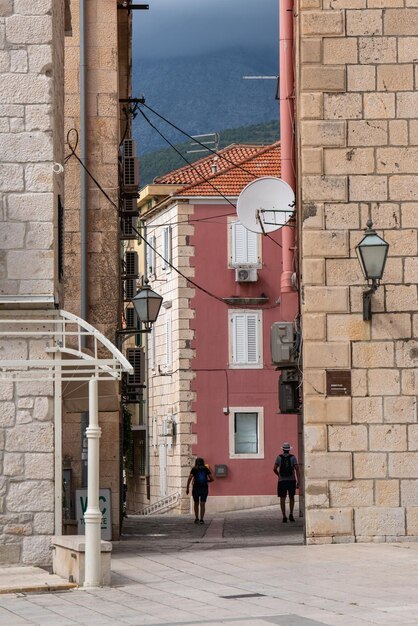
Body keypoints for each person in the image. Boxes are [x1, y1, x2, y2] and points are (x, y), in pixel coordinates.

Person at [273, 442, 299, 523]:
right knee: (291, 497)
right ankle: (291, 514)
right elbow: (297, 469)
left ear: (283, 449)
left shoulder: (279, 457)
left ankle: (284, 516)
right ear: (289, 450)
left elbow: (274, 469)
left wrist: (279, 475)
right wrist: (298, 480)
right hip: (291, 480)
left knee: (282, 498)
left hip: (282, 481)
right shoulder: (293, 457)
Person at [186, 457, 214, 524]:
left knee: (196, 503)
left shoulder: (194, 469)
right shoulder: (206, 469)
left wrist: (187, 488)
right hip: (204, 488)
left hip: (196, 488)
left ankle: (196, 518)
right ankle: (202, 519)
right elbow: (212, 479)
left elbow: (189, 478)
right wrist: (207, 481)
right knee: (202, 504)